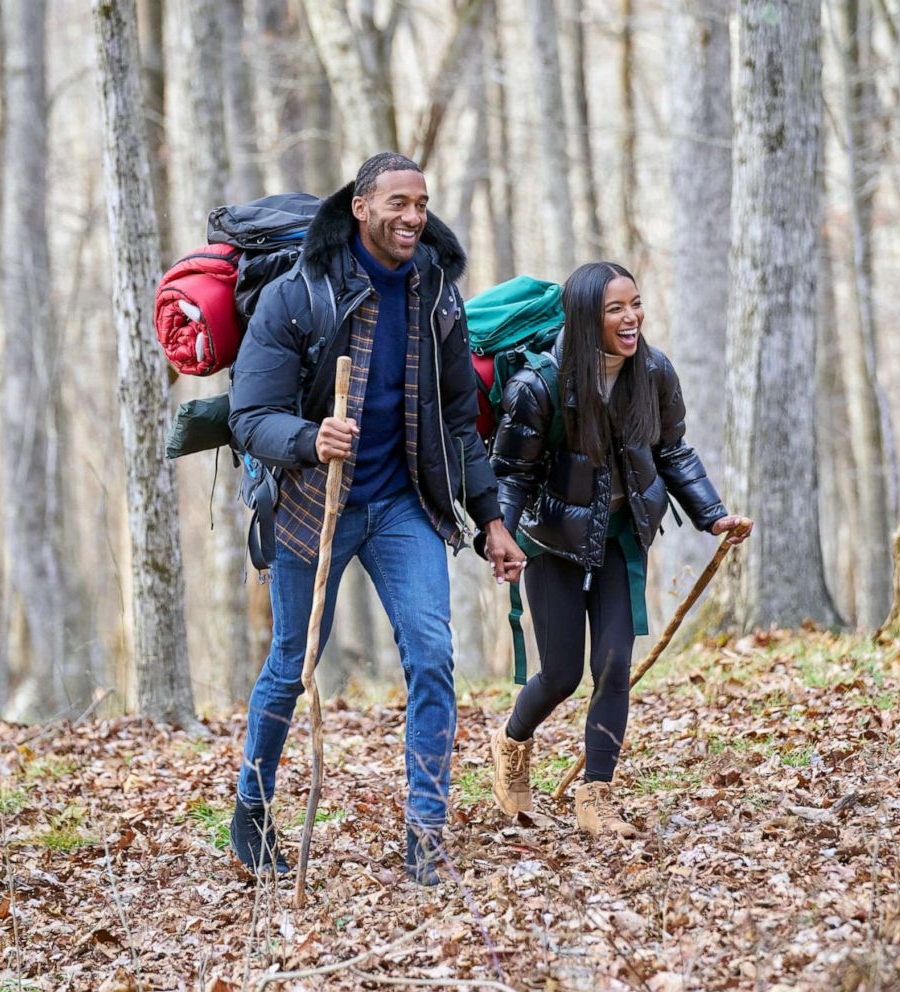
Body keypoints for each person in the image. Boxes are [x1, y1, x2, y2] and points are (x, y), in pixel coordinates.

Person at [227, 152, 525, 884]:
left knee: (431, 655)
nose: (412, 216)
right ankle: (251, 803)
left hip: (402, 503)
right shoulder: (300, 294)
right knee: (292, 666)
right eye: (397, 202)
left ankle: (426, 831)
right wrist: (308, 439)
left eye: (421, 203)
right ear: (359, 206)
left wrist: (489, 519)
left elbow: (460, 421)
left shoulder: (436, 296)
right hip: (311, 500)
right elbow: (248, 416)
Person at [487, 261, 752, 838]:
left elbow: (673, 451)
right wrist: (501, 534)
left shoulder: (653, 372)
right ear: (587, 317)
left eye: (635, 303)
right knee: (559, 674)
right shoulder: (538, 385)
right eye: (615, 309)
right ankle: (511, 742)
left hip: (620, 540)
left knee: (612, 666)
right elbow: (510, 472)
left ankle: (597, 796)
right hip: (552, 543)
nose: (631, 317)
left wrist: (713, 514)